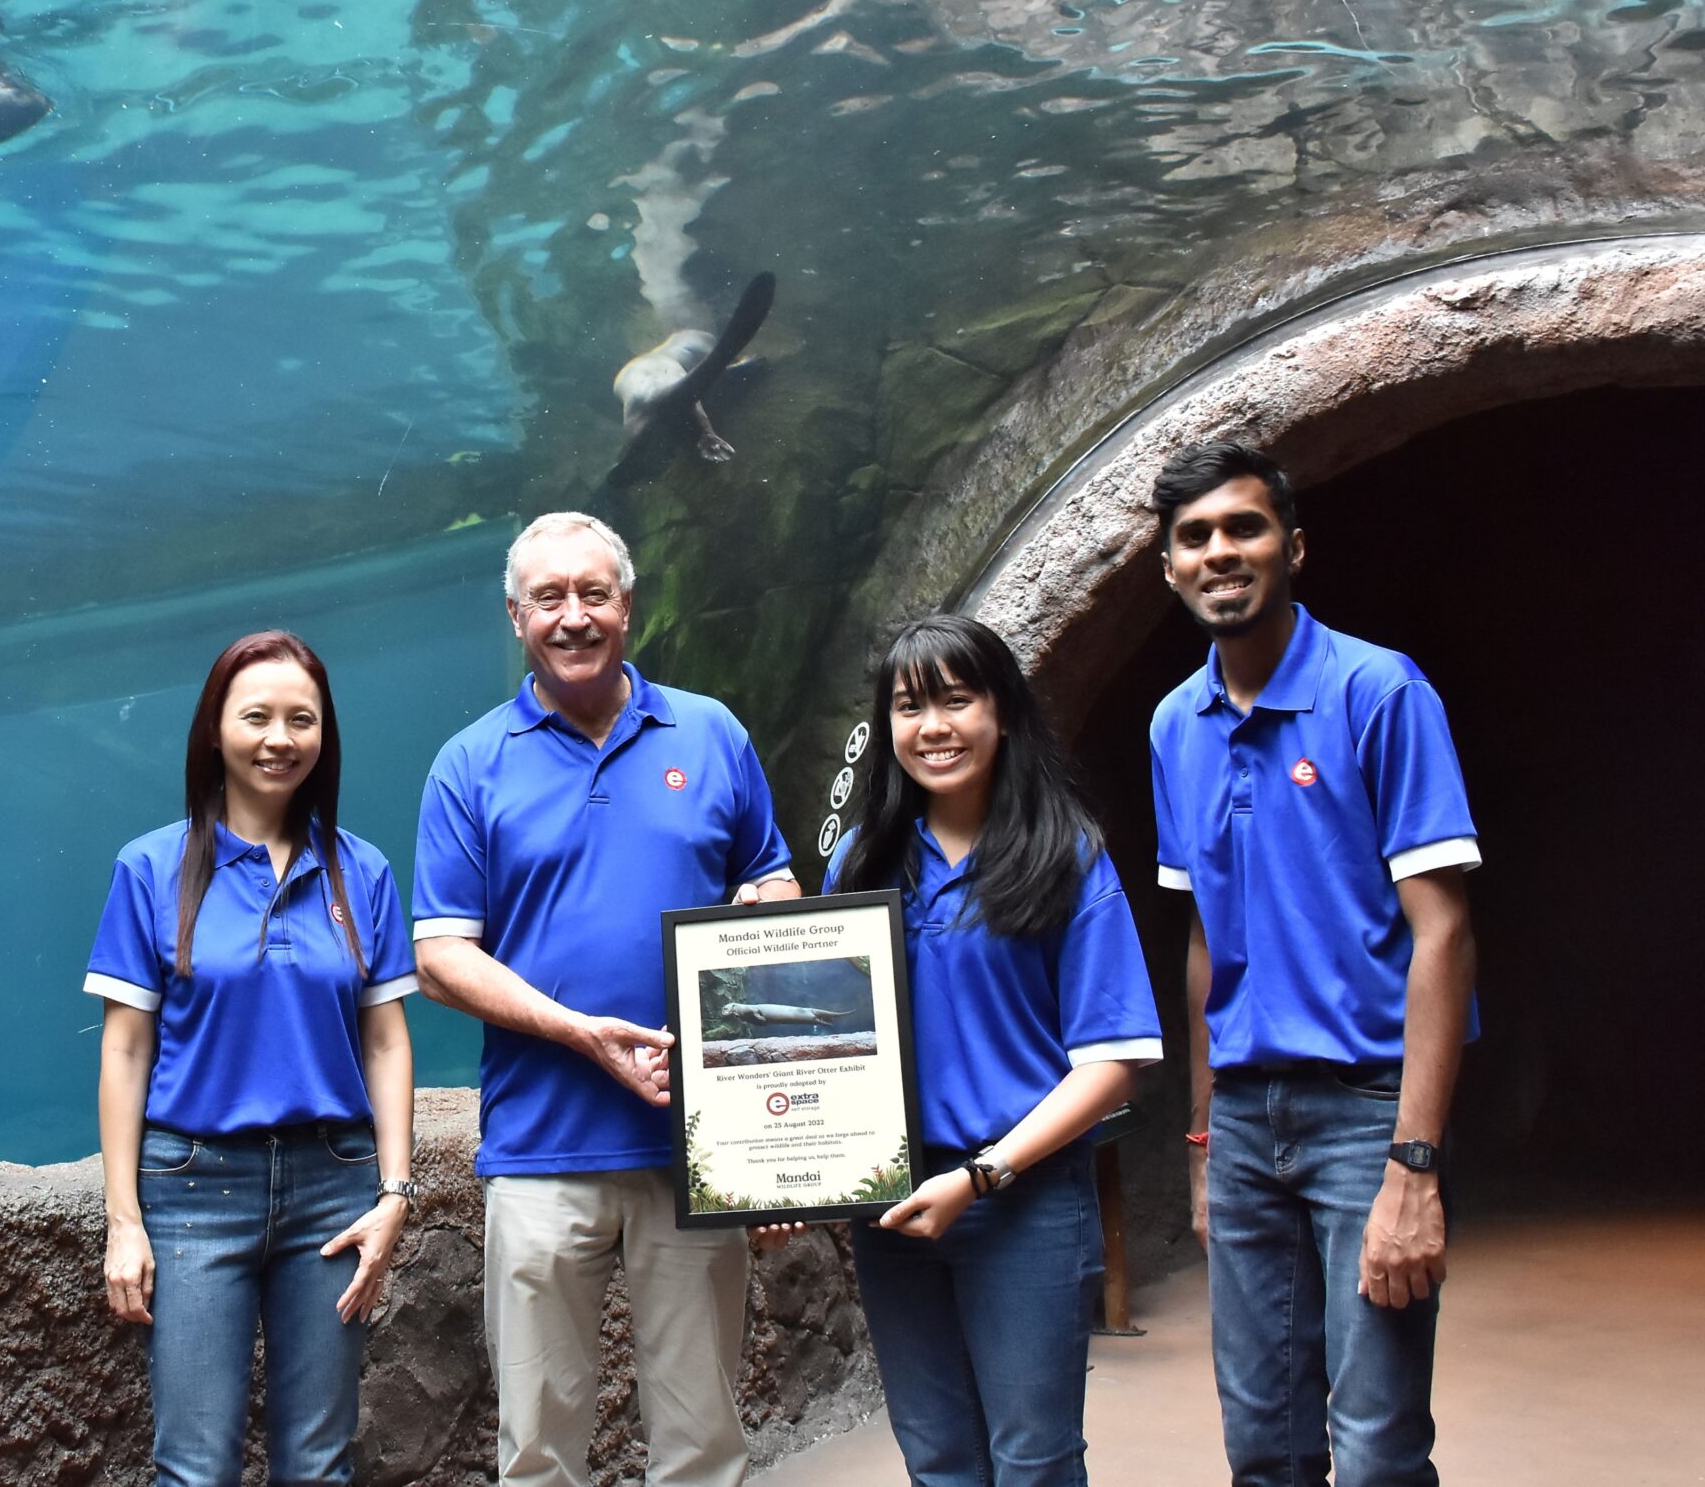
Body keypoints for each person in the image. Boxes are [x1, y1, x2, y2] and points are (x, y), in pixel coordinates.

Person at [412, 511, 798, 1487]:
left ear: (626, 604)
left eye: (593, 593)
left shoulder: (710, 734)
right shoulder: (470, 764)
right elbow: (441, 957)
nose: (573, 615)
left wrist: (766, 914)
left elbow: (775, 883)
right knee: (539, 1449)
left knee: (703, 1442)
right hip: (541, 1151)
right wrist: (579, 1033)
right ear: (515, 616)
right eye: (550, 598)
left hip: (694, 1149)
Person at [1147, 441, 1479, 1487]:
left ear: (1292, 546)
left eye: (1242, 527)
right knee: (1264, 1448)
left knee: (1377, 1449)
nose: (1218, 552)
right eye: (1193, 537)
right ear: (1167, 567)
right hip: (1244, 1122)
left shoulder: (1378, 692)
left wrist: (1413, 1168)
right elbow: (1204, 940)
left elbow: (1444, 932)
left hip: (1364, 1111)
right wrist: (1201, 1142)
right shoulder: (1173, 725)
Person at [820, 614, 1162, 1487]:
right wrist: (784, 1181)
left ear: (1003, 710)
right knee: (937, 1456)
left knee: (1034, 1458)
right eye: (908, 706)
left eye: (955, 699)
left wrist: (982, 1176)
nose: (931, 726)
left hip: (1024, 1201)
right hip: (891, 1204)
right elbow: (816, 1052)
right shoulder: (862, 865)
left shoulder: (1066, 856)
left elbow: (1114, 1057)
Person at [86, 630, 421, 1487]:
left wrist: (395, 1192)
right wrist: (124, 1218)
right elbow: (125, 1049)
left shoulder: (362, 871)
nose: (281, 737)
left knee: (319, 1465)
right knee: (194, 1468)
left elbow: (384, 1039)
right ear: (214, 730)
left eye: (301, 719)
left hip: (334, 1187)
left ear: (324, 735)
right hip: (194, 1187)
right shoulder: (151, 867)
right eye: (258, 716)